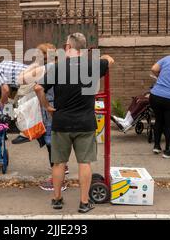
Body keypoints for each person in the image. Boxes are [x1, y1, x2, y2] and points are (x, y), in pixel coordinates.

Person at [35, 33, 114, 213]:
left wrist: (47, 106)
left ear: (67, 47)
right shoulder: (94, 66)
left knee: (59, 163)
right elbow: (110, 60)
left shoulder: (57, 68)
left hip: (61, 122)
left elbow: (38, 88)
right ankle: (84, 203)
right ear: (84, 48)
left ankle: (57, 199)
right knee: (84, 163)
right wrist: (102, 58)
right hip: (85, 123)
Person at [17, 43, 68, 191]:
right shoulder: (60, 66)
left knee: (52, 144)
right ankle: (62, 171)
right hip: (58, 106)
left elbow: (21, 79)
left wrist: (35, 64)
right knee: (55, 142)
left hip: (49, 109)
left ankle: (57, 181)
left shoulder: (47, 68)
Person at [0, 60, 28, 144]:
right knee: (16, 103)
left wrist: (2, 102)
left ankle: (25, 134)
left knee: (20, 105)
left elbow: (5, 89)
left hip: (29, 79)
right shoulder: (0, 66)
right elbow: (7, 88)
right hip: (30, 76)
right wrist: (5, 100)